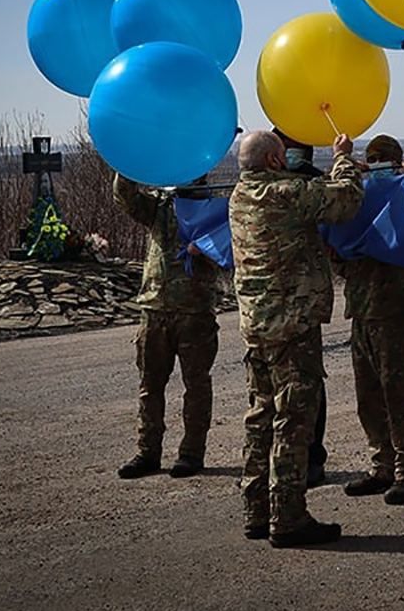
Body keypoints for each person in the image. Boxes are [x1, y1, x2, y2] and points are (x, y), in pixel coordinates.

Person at [229, 130, 363, 547]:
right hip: (291, 325)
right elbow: (345, 200)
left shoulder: (239, 197)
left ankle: (257, 510)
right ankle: (288, 518)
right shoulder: (285, 193)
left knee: (261, 417)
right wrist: (342, 157)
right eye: (282, 155)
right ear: (272, 161)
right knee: (293, 419)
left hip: (256, 326)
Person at [335, 134, 404, 505]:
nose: (374, 164)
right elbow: (338, 250)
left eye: (381, 158)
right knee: (368, 396)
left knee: (398, 393)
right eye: (370, 158)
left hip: (395, 308)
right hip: (361, 307)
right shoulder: (361, 200)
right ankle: (382, 465)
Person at [113, 172, 222, 480]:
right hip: (155, 307)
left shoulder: (212, 207)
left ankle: (191, 454)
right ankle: (147, 453)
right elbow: (126, 198)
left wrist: (207, 247)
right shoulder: (162, 205)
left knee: (196, 386)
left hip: (194, 309)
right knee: (150, 386)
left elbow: (228, 248)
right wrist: (128, 164)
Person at [274, 127, 329, 489]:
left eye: (294, 147)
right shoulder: (263, 188)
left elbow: (341, 204)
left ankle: (311, 459)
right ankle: (280, 467)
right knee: (270, 395)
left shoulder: (310, 186)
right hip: (271, 308)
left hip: (301, 305)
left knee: (307, 388)